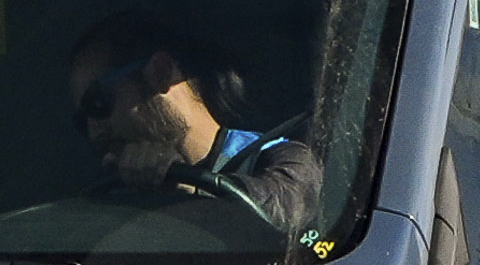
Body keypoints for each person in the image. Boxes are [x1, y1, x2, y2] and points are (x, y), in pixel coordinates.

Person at [67, 13, 327, 245]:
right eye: (82, 122)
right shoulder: (112, 198)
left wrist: (189, 190)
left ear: (160, 72)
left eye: (97, 103)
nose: (94, 132)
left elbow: (286, 212)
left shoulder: (278, 157)